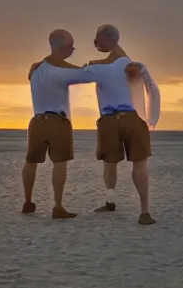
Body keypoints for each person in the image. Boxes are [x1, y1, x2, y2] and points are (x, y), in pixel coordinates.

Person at [86, 24, 160, 225]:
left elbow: (152, 89)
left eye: (98, 39)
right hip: (119, 119)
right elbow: (152, 88)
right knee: (112, 162)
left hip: (126, 118)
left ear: (110, 40)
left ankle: (143, 210)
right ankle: (117, 203)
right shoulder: (115, 66)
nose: (95, 43)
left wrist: (152, 118)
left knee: (134, 163)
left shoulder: (131, 66)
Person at [22, 29, 94, 218]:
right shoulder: (60, 71)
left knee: (31, 161)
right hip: (57, 121)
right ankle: (58, 205)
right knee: (60, 163)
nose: (73, 49)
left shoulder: (36, 69)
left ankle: (28, 201)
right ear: (62, 47)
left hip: (37, 120)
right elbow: (85, 74)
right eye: (71, 46)